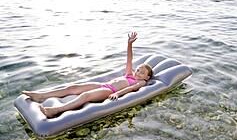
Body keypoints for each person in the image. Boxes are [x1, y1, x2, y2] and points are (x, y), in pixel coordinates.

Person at [22, 32, 153, 118]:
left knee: (85, 96)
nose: (138, 72)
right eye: (139, 69)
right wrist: (129, 44)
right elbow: (129, 59)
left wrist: (118, 93)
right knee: (72, 88)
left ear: (147, 77)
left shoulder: (141, 82)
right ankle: (41, 96)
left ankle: (56, 110)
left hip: (110, 90)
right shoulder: (129, 74)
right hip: (103, 85)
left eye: (142, 72)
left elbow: (131, 89)